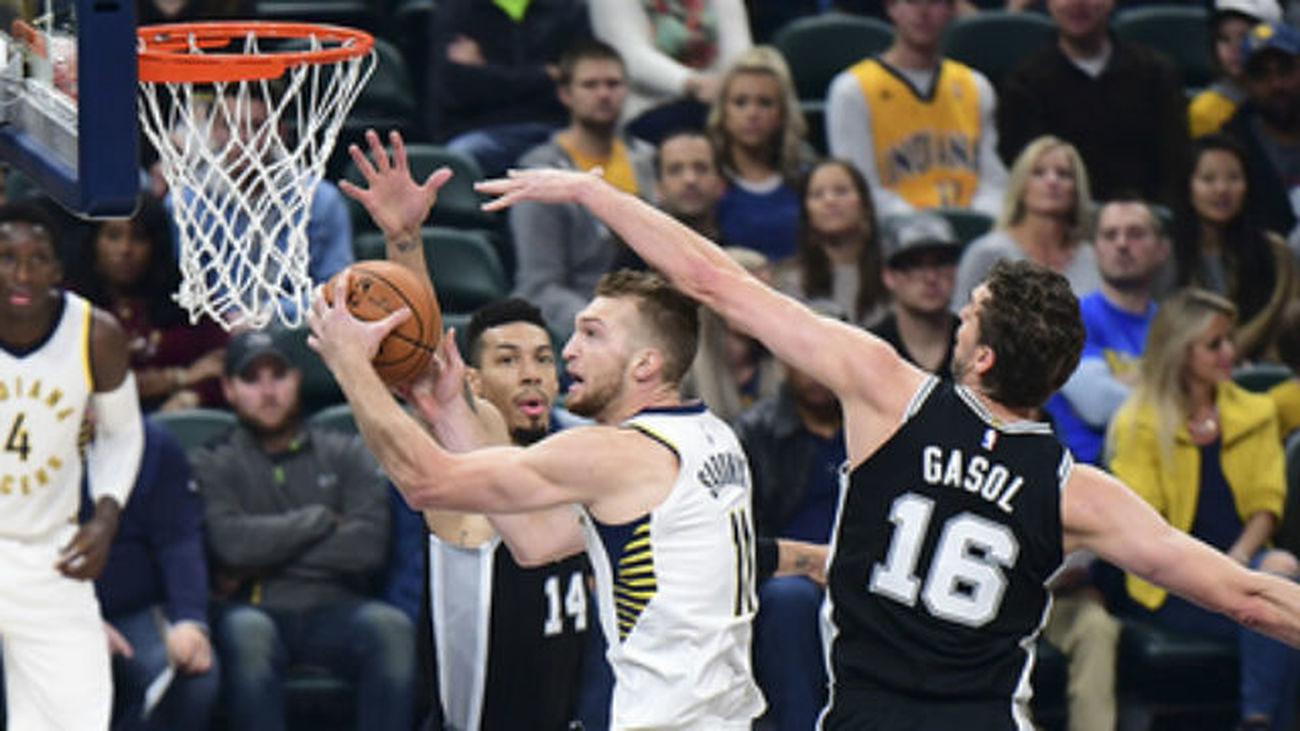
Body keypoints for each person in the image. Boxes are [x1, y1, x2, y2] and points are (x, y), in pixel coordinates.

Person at [474, 164, 1300, 728]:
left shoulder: (886, 389)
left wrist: (595, 192)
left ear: (979, 357)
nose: (958, 315)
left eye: (969, 311)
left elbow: (715, 280)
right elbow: (1247, 597)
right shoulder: (1072, 488)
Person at [313, 130, 765, 728]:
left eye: (589, 336)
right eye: (569, 336)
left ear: (646, 364)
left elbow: (427, 479)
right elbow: (536, 540)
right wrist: (447, 406)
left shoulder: (612, 454)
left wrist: (348, 362)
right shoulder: (713, 435)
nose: (566, 352)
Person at [193, 329, 415, 731]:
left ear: (297, 378)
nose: (268, 391)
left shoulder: (346, 450)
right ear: (228, 390)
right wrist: (320, 520)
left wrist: (263, 558)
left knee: (391, 627)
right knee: (249, 633)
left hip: (335, 606)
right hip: (253, 608)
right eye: (251, 379)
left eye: (277, 375)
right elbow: (229, 546)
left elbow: (368, 546)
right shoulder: (212, 461)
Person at [1108, 288, 1300, 731]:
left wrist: (1236, 565)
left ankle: (1257, 720)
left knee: (1277, 578)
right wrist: (1222, 574)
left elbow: (1266, 505)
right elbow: (1145, 529)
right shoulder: (1139, 421)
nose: (1230, 352)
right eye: (1214, 344)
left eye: (1229, 340)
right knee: (1275, 609)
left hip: (1245, 564)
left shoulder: (1255, 411)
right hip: (1170, 579)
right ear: (1180, 350)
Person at [416, 297, 595, 730]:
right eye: (508, 360)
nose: (531, 373)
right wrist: (406, 244)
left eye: (543, 359)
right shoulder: (468, 480)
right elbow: (425, 366)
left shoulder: (586, 467)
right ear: (471, 381)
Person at [0, 201, 143, 728]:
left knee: (79, 718)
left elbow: (123, 432)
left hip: (50, 554)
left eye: (38, 258)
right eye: (6, 256)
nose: (21, 273)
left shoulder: (95, 334)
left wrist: (106, 516)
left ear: (59, 270)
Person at [732, 311, 845, 731]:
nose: (815, 368)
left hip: (868, 569)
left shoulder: (877, 428)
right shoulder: (752, 433)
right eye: (803, 355)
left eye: (826, 355)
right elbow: (740, 539)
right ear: (782, 360)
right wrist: (810, 563)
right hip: (790, 576)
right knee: (789, 599)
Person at [510, 39, 655, 341]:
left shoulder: (649, 161)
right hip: (580, 322)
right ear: (565, 94)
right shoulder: (541, 171)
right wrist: (605, 324)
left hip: (651, 312)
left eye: (613, 84)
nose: (604, 94)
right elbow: (539, 287)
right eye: (590, 85)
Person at [998, 0, 1188, 207]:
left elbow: (1174, 166)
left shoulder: (1157, 74)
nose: (1078, 3)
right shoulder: (1024, 83)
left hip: (1142, 220)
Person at [827, 0, 1006, 219]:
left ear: (951, 9)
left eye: (934, 2)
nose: (923, 12)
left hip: (970, 233)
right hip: (891, 238)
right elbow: (860, 191)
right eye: (912, 1)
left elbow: (994, 184)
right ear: (891, 7)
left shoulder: (976, 86)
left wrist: (972, 223)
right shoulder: (852, 90)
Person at [98, 418, 218, 731]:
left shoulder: (154, 443)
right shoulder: (26, 443)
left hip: (137, 610)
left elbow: (178, 539)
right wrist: (74, 617)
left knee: (193, 673)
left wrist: (189, 621)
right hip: (43, 605)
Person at [65, 194, 228, 412]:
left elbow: (222, 365)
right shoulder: (71, 302)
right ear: (93, 242)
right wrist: (179, 377)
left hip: (181, 418)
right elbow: (83, 383)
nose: (125, 249)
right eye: (113, 236)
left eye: (139, 237)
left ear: (156, 244)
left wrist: (192, 396)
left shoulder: (188, 298)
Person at [1045, 198, 1170, 466]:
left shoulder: (1174, 326)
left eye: (1136, 234)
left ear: (1162, 250)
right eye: (1110, 235)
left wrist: (1128, 380)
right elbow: (1099, 405)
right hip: (1091, 471)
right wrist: (1163, 386)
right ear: (1096, 249)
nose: (1122, 244)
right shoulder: (1069, 318)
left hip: (1165, 466)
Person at [1171, 133, 1297, 362]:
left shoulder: (1276, 254)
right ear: (1187, 187)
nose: (1222, 189)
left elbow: (1289, 327)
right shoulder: (1168, 254)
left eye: (1234, 178)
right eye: (1208, 179)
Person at [432, 0, 591, 178]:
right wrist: (544, 75)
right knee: (457, 163)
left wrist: (487, 72)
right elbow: (457, 90)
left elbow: (580, 85)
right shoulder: (457, 11)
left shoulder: (567, 10)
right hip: (482, 130)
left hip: (552, 127)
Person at [953, 135, 1099, 310]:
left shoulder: (1093, 258)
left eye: (1064, 174)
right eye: (1038, 173)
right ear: (1021, 186)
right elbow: (959, 320)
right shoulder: (986, 253)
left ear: (1076, 189)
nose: (1052, 181)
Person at [588, 0, 752, 142]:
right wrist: (692, 83)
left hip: (720, 100)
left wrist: (734, 87)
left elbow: (740, 53)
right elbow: (629, 56)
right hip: (649, 106)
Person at [707, 46, 812, 262]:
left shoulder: (806, 179)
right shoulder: (706, 177)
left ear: (782, 113)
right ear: (723, 112)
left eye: (764, 103)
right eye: (740, 102)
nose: (752, 114)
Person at [777, 158, 888, 327]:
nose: (830, 201)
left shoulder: (894, 273)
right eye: (817, 195)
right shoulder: (790, 282)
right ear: (807, 214)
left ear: (865, 204)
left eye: (841, 191)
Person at [1222, 20, 1300, 249]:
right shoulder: (1232, 146)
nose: (1276, 84)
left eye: (1285, 70)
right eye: (1261, 75)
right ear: (1245, 82)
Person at [685, 247, 785, 423]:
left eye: (767, 297)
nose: (761, 308)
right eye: (750, 297)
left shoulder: (784, 364)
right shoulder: (684, 367)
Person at [870, 211, 961, 375]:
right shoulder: (870, 348)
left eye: (941, 263)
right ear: (888, 276)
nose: (931, 278)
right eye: (914, 266)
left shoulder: (978, 346)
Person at [1189, 0, 1284, 138]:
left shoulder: (1288, 99)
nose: (1234, 48)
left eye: (1244, 37)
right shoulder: (1204, 111)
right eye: (1224, 39)